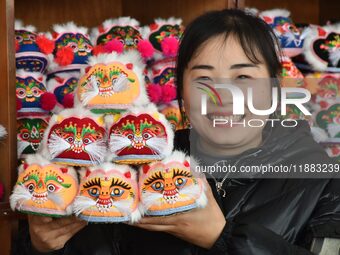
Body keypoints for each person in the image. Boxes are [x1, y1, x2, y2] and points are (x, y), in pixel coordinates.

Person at [18, 9, 340, 255]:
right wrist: (42, 246)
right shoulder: (132, 163)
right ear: (180, 91)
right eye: (203, 78)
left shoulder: (322, 179)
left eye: (243, 78)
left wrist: (222, 237)